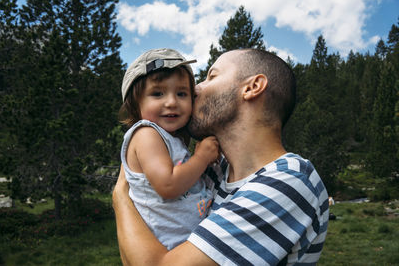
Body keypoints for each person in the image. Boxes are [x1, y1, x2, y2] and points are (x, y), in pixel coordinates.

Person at [113, 48, 329, 265]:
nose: (195, 89)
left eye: (212, 76)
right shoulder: (213, 172)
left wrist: (121, 197)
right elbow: (132, 257)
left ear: (252, 87)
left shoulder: (288, 181)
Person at [118, 48, 219, 250]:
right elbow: (168, 186)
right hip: (168, 248)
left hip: (184, 245)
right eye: (157, 94)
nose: (172, 102)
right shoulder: (146, 134)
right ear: (135, 104)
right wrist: (202, 157)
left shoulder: (168, 138)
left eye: (182, 93)